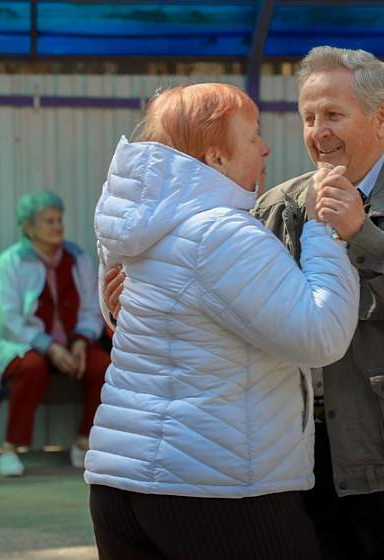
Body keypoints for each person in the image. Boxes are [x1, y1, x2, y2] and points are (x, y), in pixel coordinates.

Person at [104, 47, 384, 559]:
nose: (316, 131)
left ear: (383, 117)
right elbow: (237, 311)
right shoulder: (277, 201)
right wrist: (141, 304)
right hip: (311, 457)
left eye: (333, 115)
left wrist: (362, 235)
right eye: (308, 117)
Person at [85, 83, 359, 560]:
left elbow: (152, 318)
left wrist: (113, 311)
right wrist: (323, 229)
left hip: (121, 482)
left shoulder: (141, 220)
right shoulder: (219, 232)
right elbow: (321, 333)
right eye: (253, 136)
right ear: (215, 157)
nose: (267, 147)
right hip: (218, 489)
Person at [0, 191, 108, 478]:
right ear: (28, 228)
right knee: (31, 367)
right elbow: (9, 320)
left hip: (72, 342)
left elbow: (92, 306)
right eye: (48, 221)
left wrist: (80, 341)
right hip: (21, 344)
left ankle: (84, 441)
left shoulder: (77, 258)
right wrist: (50, 348)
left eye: (59, 219)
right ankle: (10, 447)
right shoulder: (10, 262)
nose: (57, 226)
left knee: (103, 366)